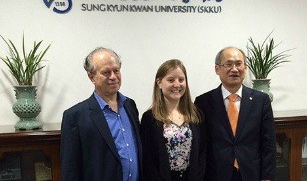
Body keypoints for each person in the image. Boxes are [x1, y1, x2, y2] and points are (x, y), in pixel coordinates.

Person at [194, 47, 276, 181]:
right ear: (217, 69)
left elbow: (269, 144)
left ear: (245, 68)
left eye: (239, 64)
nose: (234, 69)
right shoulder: (203, 102)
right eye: (228, 64)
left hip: (251, 173)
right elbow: (201, 146)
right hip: (216, 173)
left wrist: (267, 177)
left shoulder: (261, 101)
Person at [60, 47, 142, 181]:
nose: (113, 77)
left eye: (116, 71)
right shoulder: (75, 117)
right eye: (106, 72)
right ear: (91, 76)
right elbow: (70, 169)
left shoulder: (130, 105)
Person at [140, 59, 206, 181]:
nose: (177, 85)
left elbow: (202, 155)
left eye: (181, 80)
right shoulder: (149, 118)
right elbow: (148, 161)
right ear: (159, 83)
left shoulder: (196, 114)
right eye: (171, 80)